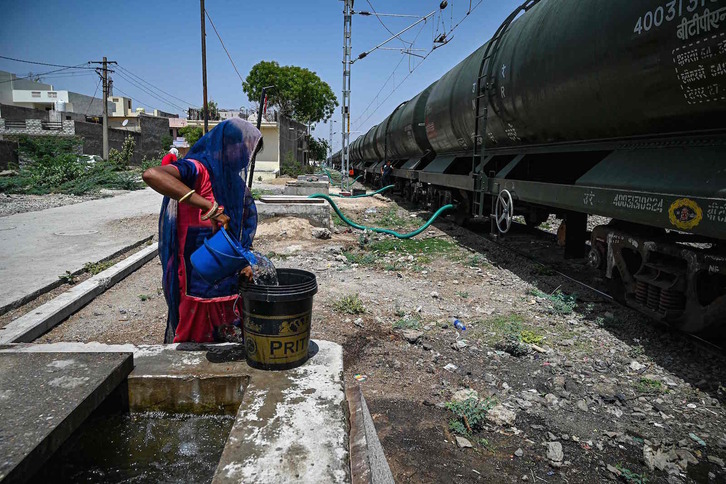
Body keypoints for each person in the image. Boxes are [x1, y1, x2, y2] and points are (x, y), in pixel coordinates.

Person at [142, 119, 262, 343]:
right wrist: (209, 206)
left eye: (249, 152)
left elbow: (243, 229)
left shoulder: (236, 185)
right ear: (224, 146)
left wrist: (247, 260)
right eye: (242, 149)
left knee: (229, 334)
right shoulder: (197, 169)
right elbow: (152, 175)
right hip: (196, 269)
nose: (246, 156)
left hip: (227, 269)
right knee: (196, 338)